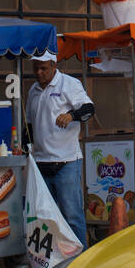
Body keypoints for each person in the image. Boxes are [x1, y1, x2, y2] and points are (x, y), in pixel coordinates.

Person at [26, 52, 95, 249]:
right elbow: (30, 125)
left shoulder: (69, 84)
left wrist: (72, 115)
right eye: (36, 69)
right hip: (40, 162)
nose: (39, 73)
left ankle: (80, 259)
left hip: (67, 162)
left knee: (71, 215)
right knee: (46, 216)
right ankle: (56, 258)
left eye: (44, 68)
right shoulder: (33, 90)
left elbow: (89, 109)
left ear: (54, 65)